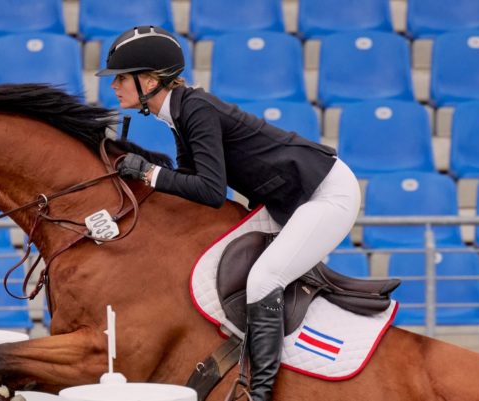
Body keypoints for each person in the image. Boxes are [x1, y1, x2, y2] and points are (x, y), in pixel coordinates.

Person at [97, 26, 361, 401]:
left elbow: (209, 189)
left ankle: (260, 392)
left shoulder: (195, 108)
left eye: (122, 77)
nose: (115, 85)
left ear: (151, 81)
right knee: (216, 257)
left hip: (325, 194)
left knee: (263, 279)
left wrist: (148, 173)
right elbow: (191, 182)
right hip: (288, 199)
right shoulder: (179, 112)